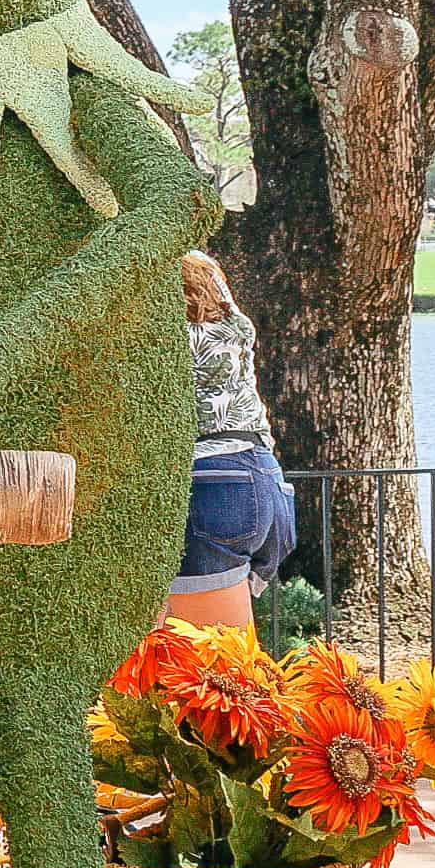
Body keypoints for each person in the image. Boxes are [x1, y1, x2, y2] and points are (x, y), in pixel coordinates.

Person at [171, 251, 296, 627]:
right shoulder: (234, 327)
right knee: (202, 657)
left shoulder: (165, 337)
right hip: (263, 475)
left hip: (209, 480)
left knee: (214, 668)